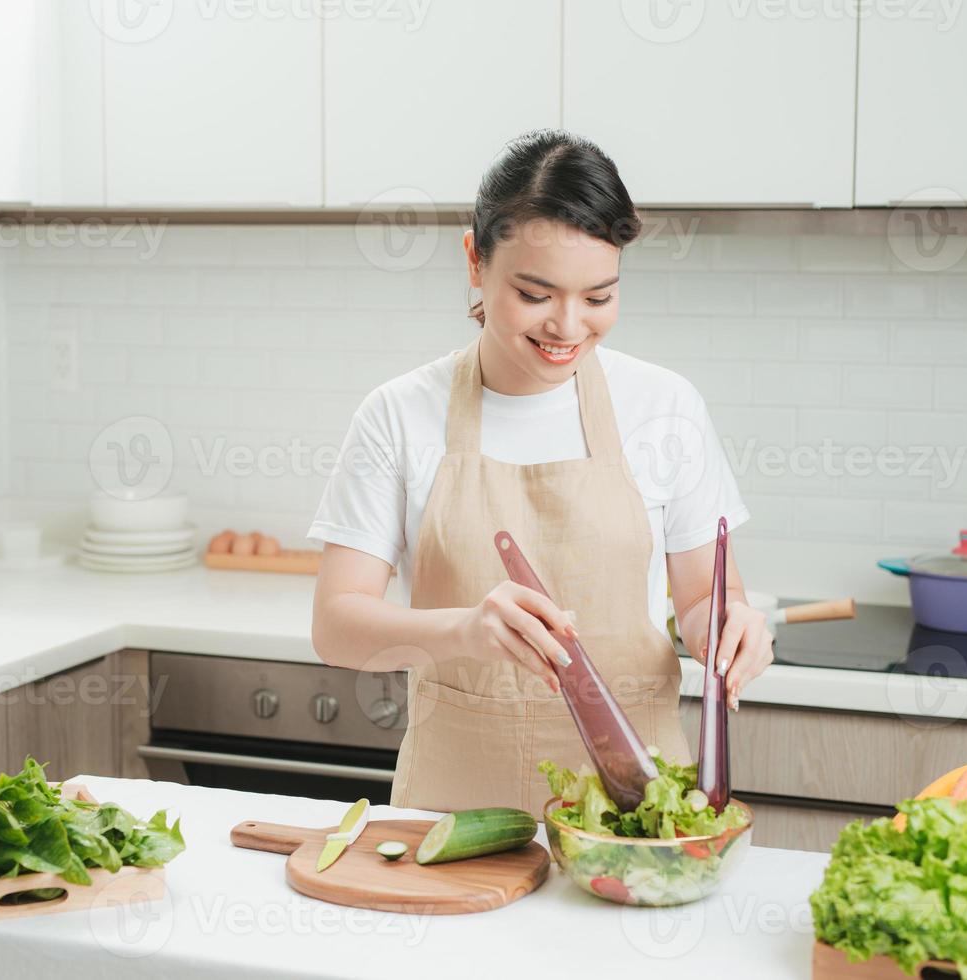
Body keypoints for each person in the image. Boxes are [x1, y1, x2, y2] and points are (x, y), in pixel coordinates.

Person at [308, 129, 773, 815]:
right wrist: (463, 632)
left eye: (598, 297)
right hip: (456, 812)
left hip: (636, 817)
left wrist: (730, 627)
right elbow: (337, 628)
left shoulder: (663, 406)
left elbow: (705, 598)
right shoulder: (397, 414)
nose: (567, 326)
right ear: (475, 260)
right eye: (535, 293)